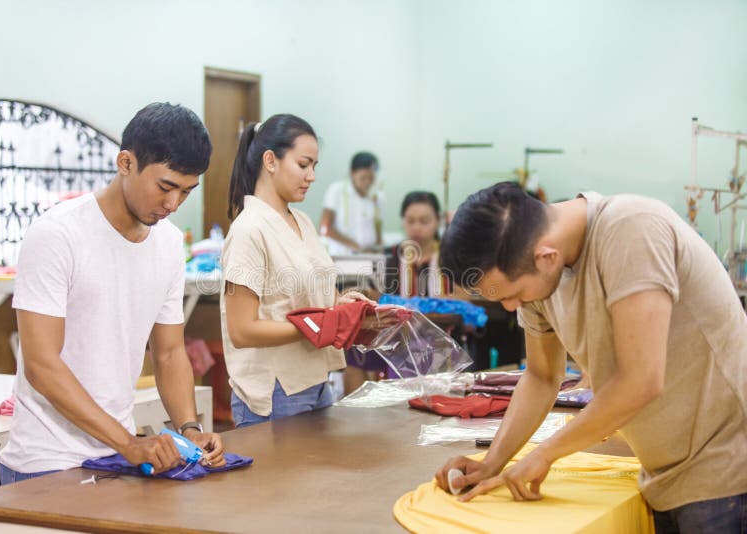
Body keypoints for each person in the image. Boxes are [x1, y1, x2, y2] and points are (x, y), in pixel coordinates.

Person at [434, 182, 747, 532]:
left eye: (515, 294)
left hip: (725, 468)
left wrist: (544, 454)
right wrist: (492, 462)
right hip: (664, 472)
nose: (510, 307)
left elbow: (640, 380)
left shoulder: (632, 231)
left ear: (546, 257)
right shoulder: (537, 268)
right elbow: (541, 377)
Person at [0, 103, 226, 483]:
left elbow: (169, 352)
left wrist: (190, 429)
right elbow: (41, 365)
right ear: (126, 163)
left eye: (186, 192)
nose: (173, 204)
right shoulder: (58, 234)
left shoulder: (169, 243)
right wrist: (129, 443)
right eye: (165, 187)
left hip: (116, 457)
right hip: (46, 462)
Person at [221, 114, 375, 427]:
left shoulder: (302, 222)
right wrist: (320, 324)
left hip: (317, 382)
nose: (311, 176)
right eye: (303, 165)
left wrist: (344, 307)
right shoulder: (249, 230)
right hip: (276, 391)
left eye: (314, 166)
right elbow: (242, 330)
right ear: (270, 161)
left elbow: (312, 301)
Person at [343, 191, 451, 394]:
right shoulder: (391, 256)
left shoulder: (450, 255)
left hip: (439, 329)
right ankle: (356, 408)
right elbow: (377, 294)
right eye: (410, 221)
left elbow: (463, 296)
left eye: (424, 221)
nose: (417, 227)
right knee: (355, 348)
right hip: (396, 329)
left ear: (438, 221)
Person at [320, 151, 383, 256]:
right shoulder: (337, 190)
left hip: (368, 257)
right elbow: (325, 227)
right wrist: (357, 248)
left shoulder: (377, 197)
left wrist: (379, 253)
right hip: (340, 256)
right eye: (363, 178)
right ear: (352, 173)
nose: (367, 182)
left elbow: (378, 233)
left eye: (371, 178)